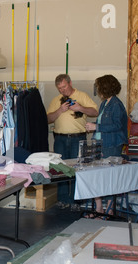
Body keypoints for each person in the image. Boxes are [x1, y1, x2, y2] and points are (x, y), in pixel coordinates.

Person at [47, 74, 99, 210]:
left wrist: (80, 108)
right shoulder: (56, 100)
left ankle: (77, 201)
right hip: (60, 139)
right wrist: (60, 110)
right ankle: (63, 199)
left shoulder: (82, 96)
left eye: (64, 87)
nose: (62, 91)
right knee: (60, 169)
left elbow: (95, 111)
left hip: (78, 138)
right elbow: (47, 119)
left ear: (70, 83)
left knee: (78, 169)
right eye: (59, 88)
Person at [85, 74, 128, 214]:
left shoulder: (116, 104)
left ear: (104, 88)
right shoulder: (104, 103)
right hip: (100, 143)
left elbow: (117, 125)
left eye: (98, 87)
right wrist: (93, 127)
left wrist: (96, 127)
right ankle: (99, 207)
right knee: (97, 175)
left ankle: (109, 210)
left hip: (111, 145)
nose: (97, 90)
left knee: (109, 177)